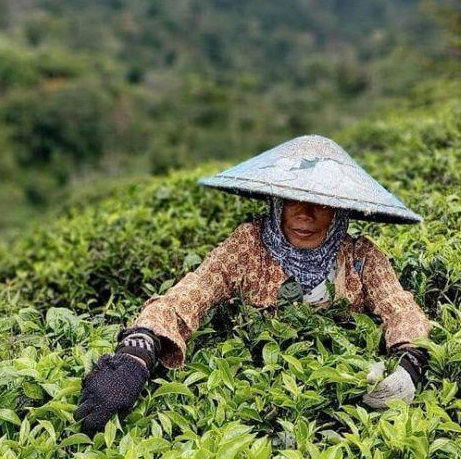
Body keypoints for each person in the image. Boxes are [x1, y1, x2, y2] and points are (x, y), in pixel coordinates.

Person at [74, 134, 432, 435]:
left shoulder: (360, 256)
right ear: (276, 202)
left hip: (339, 395)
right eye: (293, 199)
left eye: (321, 204)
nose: (305, 215)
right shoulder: (248, 246)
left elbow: (398, 305)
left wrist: (410, 359)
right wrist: (140, 347)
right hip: (256, 398)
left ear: (340, 212)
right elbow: (195, 291)